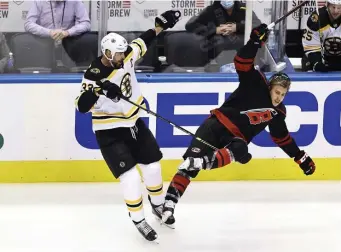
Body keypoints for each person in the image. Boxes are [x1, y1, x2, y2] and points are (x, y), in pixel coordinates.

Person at [161, 24, 316, 225]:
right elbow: (241, 62)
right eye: (277, 92)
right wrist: (254, 42)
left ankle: (200, 162)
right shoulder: (256, 82)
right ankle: (168, 206)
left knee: (241, 149)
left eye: (283, 95)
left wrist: (299, 157)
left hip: (234, 139)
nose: (279, 97)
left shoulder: (278, 113)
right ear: (270, 87)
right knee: (188, 168)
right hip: (215, 125)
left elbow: (282, 138)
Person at [75, 10, 180, 242]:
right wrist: (98, 90)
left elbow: (143, 41)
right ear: (107, 53)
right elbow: (81, 106)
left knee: (152, 167)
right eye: (118, 53)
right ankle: (138, 219)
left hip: (133, 122)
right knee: (131, 177)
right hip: (109, 131)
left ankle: (159, 206)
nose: (123, 56)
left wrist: (159, 27)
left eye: (123, 52)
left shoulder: (128, 54)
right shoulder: (94, 75)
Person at [24, 0, 95, 65]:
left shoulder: (76, 1)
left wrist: (68, 32)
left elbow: (86, 24)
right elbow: (28, 24)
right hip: (44, 45)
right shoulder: (39, 2)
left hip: (69, 45)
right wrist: (49, 32)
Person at [185, 0, 261, 58]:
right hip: (217, 55)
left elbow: (258, 25)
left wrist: (237, 27)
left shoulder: (243, 8)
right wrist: (215, 30)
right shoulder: (211, 10)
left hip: (242, 53)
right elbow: (190, 25)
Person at [302, 0, 341, 72]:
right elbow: (310, 46)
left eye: (339, 8)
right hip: (320, 58)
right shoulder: (317, 19)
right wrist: (316, 63)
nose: (335, 11)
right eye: (333, 7)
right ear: (327, 5)